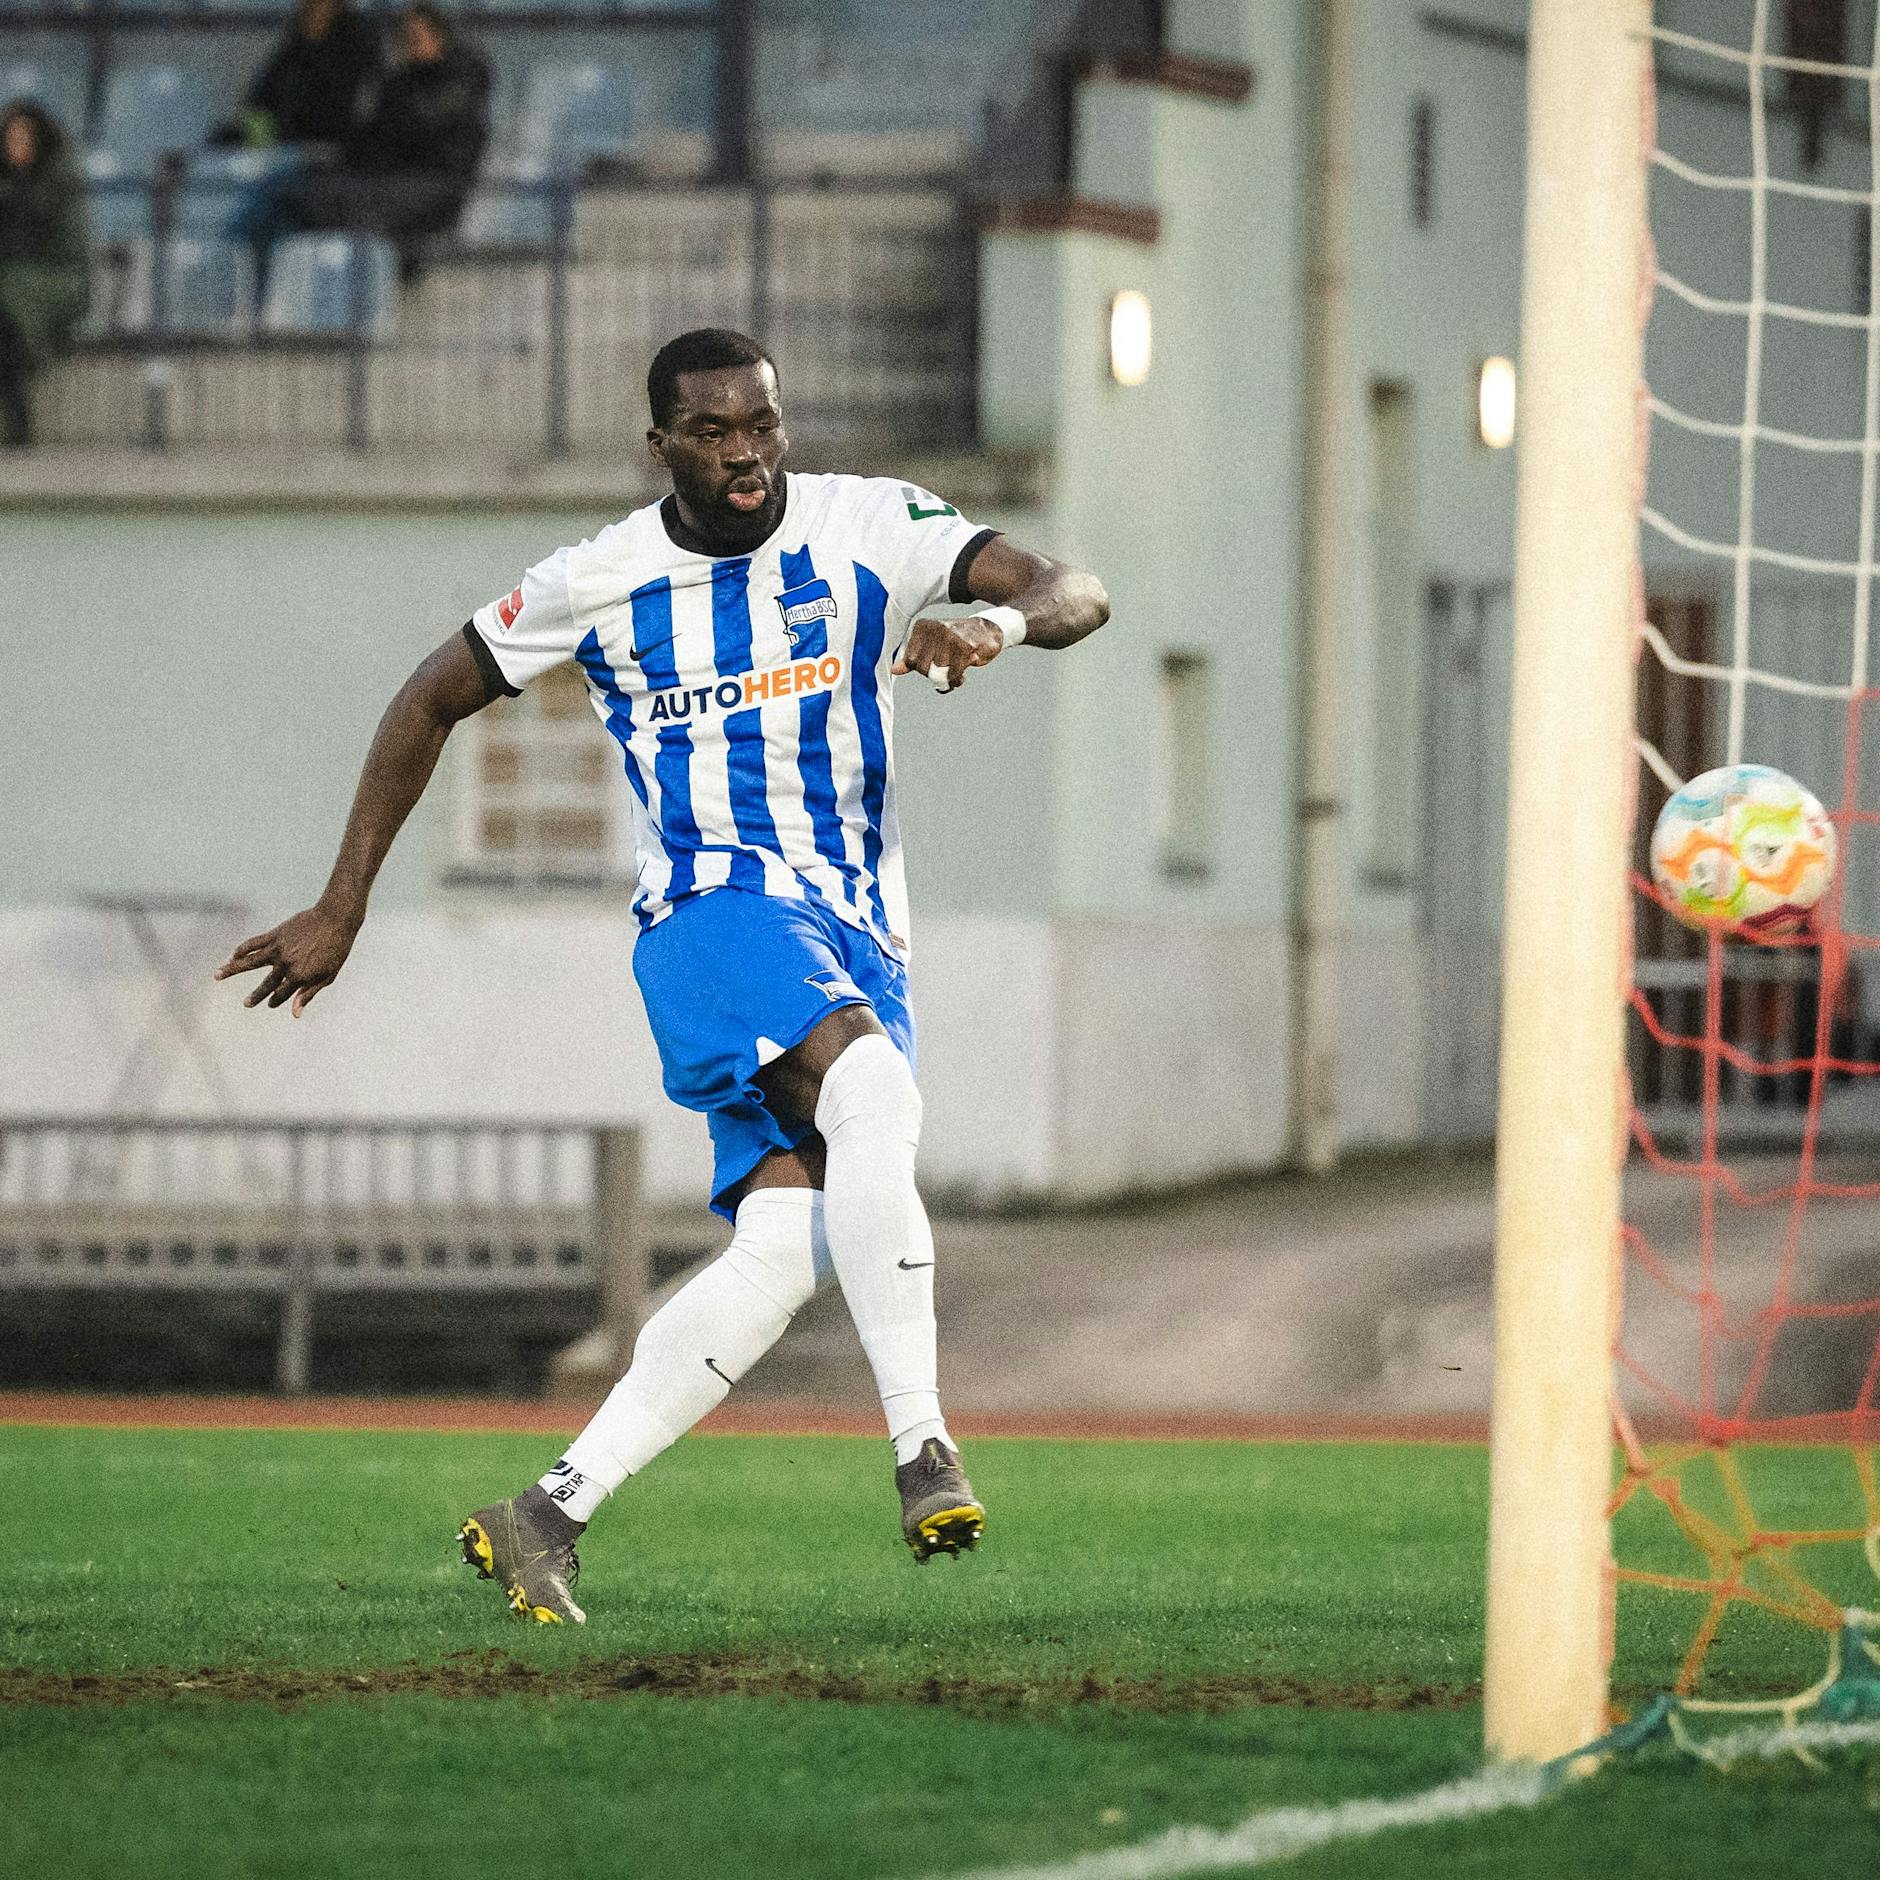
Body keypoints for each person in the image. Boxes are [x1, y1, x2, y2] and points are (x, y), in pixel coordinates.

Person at [216, 327, 1109, 1623]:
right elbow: (429, 698)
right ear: (661, 445)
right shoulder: (607, 578)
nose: (745, 454)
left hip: (861, 928)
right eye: (713, 432)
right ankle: (925, 1447)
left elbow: (1077, 589)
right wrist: (344, 902)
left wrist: (1000, 625)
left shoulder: (872, 524)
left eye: (762, 425)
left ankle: (547, 1516)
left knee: (790, 1242)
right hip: (711, 916)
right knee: (874, 1096)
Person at [276, 1, 489, 266]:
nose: (408, 46)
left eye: (415, 37)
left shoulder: (459, 81)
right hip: (391, 177)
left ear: (438, 37)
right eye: (404, 38)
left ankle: (363, 283)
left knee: (359, 208)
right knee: (305, 188)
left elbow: (416, 122)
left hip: (435, 180)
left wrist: (392, 96)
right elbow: (373, 136)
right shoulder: (401, 80)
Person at [0, 99, 88, 451]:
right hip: (10, 285)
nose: (16, 146)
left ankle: (18, 421)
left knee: (6, 323)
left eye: (24, 138)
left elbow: (70, 256)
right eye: (11, 138)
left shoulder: (59, 185)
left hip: (54, 283)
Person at [217, 0, 382, 150]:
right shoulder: (294, 45)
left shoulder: (356, 38)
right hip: (284, 140)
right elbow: (261, 96)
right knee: (223, 138)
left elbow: (363, 100)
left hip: (328, 143)